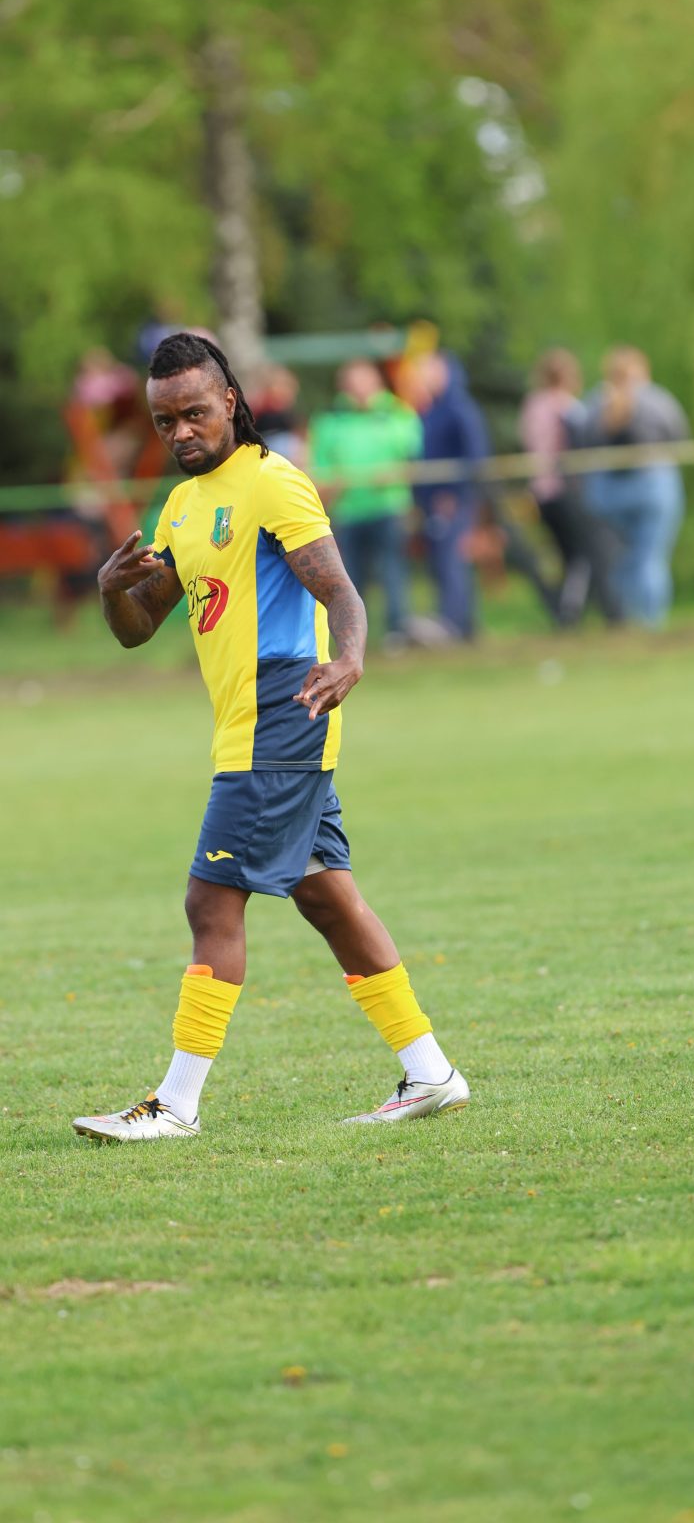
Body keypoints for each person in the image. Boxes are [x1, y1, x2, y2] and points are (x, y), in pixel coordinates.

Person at [72, 332, 469, 1141]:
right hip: (250, 725)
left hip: (281, 713)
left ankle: (175, 1104)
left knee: (210, 900)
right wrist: (112, 592)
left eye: (194, 413)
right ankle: (431, 1072)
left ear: (230, 402)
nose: (181, 431)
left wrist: (351, 657)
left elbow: (341, 591)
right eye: (164, 421)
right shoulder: (182, 506)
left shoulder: (272, 481)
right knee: (327, 896)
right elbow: (140, 628)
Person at [569, 347, 689, 623]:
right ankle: (651, 621)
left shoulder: (594, 402)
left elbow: (581, 442)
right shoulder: (657, 399)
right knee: (650, 558)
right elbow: (679, 437)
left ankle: (624, 618)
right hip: (654, 486)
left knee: (620, 558)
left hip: (606, 493)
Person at [309, 360, 421, 645]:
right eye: (352, 383)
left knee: (392, 572)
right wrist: (331, 483)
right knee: (349, 577)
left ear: (376, 383)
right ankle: (352, 636)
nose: (358, 389)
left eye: (363, 381)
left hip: (389, 506)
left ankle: (397, 632)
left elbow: (411, 451)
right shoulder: (330, 419)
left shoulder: (397, 413)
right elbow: (320, 463)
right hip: (348, 510)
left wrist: (392, 472)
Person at [519, 349, 620, 625]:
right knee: (583, 555)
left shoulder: (532, 406)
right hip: (566, 491)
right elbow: (584, 443)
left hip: (540, 492)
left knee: (566, 554)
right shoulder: (568, 408)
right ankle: (572, 612)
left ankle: (572, 609)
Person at [413, 353, 488, 640]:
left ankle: (457, 625)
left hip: (453, 502)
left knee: (452, 561)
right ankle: (455, 623)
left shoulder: (460, 408)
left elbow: (475, 455)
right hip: (434, 503)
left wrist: (456, 495)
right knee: (442, 563)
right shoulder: (431, 410)